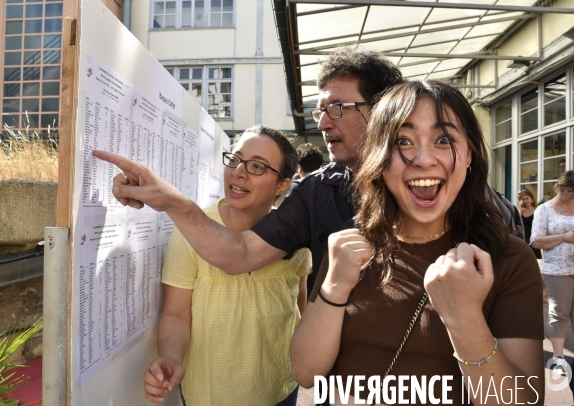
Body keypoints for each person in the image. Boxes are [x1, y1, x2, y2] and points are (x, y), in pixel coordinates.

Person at [290, 81, 544, 405]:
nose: (424, 159)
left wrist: (463, 317)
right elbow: (304, 372)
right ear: (379, 161)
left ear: (469, 156)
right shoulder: (348, 247)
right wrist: (335, 287)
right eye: (403, 142)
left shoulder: (506, 258)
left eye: (443, 139)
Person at [93, 47, 404, 296]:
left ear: (380, 110)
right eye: (320, 111)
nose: (322, 123)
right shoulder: (316, 193)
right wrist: (172, 201)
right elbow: (241, 253)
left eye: (337, 108)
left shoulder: (430, 182)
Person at [142, 126, 311, 405]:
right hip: (210, 394)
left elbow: (300, 304)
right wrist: (171, 357)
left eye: (257, 166)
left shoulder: (296, 238)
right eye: (234, 159)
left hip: (280, 389)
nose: (238, 172)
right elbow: (176, 314)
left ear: (282, 184)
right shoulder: (193, 231)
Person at [531, 170, 574, 376]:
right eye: (569, 191)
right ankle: (558, 357)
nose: (572, 195)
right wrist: (565, 237)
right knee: (559, 313)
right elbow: (536, 241)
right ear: (559, 187)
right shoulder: (544, 210)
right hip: (557, 270)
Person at [518, 189, 542, 259]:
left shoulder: (537, 210)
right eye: (523, 199)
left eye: (527, 198)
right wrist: (520, 211)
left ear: (531, 198)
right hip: (523, 239)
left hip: (534, 239)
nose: (525, 201)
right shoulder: (520, 211)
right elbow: (517, 223)